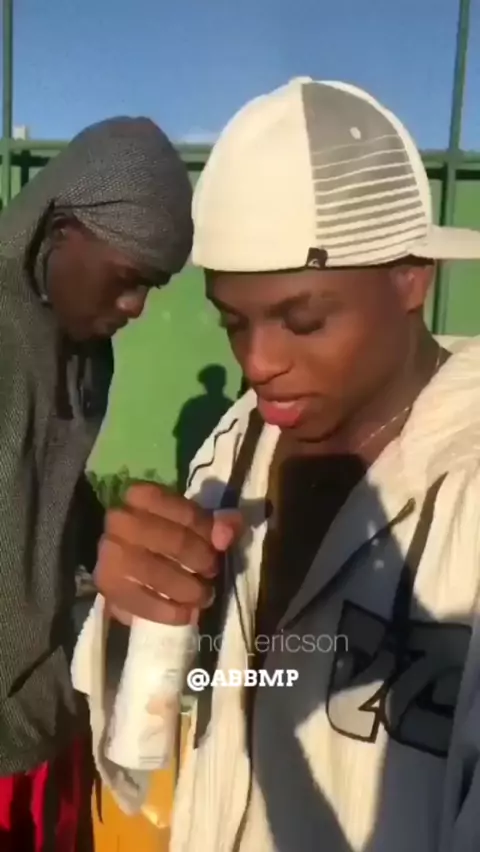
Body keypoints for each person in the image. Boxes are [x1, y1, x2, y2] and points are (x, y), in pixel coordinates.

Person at [89, 80, 480, 851]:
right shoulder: (236, 444)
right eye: (234, 323)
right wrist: (135, 622)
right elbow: (176, 720)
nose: (259, 363)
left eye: (302, 321)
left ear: (411, 277)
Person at [0, 115, 193, 849]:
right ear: (60, 232)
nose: (136, 308)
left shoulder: (82, 350)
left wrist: (111, 549)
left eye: (151, 287)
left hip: (46, 715)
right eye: (126, 280)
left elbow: (46, 488)